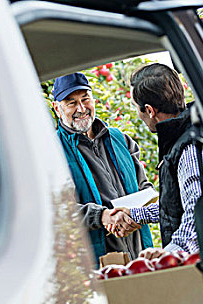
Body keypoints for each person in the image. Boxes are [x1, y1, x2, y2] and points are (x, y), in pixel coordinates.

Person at [112, 63, 203, 260]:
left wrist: (168, 256)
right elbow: (178, 202)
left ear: (149, 110)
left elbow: (198, 210)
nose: (138, 115)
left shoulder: (189, 148)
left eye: (136, 108)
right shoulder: (183, 136)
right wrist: (137, 214)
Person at [53, 72, 154, 264]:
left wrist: (136, 213)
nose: (81, 108)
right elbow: (57, 210)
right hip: (96, 265)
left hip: (140, 254)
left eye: (85, 99)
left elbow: (144, 187)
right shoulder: (52, 152)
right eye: (71, 102)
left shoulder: (121, 139)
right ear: (57, 108)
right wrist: (101, 217)